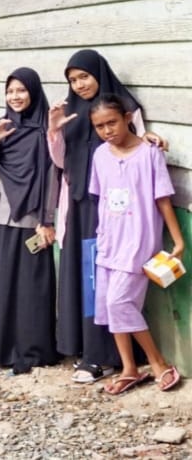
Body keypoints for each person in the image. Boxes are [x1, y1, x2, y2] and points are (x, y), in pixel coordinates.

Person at [47, 49, 167, 384]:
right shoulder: (68, 112)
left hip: (120, 215)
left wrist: (150, 137)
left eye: (84, 76)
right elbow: (60, 163)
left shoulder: (123, 107)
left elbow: (136, 140)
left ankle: (110, 358)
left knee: (111, 288)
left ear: (99, 74)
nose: (79, 84)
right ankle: (88, 351)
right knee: (87, 283)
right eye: (72, 80)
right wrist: (54, 131)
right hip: (79, 204)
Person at [86, 95, 183, 395]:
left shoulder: (149, 154)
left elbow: (163, 200)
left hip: (138, 240)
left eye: (112, 122)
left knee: (120, 302)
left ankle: (160, 364)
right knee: (108, 305)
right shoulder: (101, 155)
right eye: (99, 126)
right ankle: (129, 368)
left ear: (128, 118)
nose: (107, 131)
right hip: (108, 241)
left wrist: (178, 240)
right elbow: (101, 198)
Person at [0, 68, 60, 374]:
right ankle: (2, 347)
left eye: (21, 90)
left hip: (33, 221)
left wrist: (46, 218)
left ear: (34, 92)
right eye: (10, 91)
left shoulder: (45, 131)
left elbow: (53, 177)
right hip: (3, 216)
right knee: (2, 284)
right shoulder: (4, 128)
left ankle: (33, 350)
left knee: (32, 287)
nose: (15, 96)